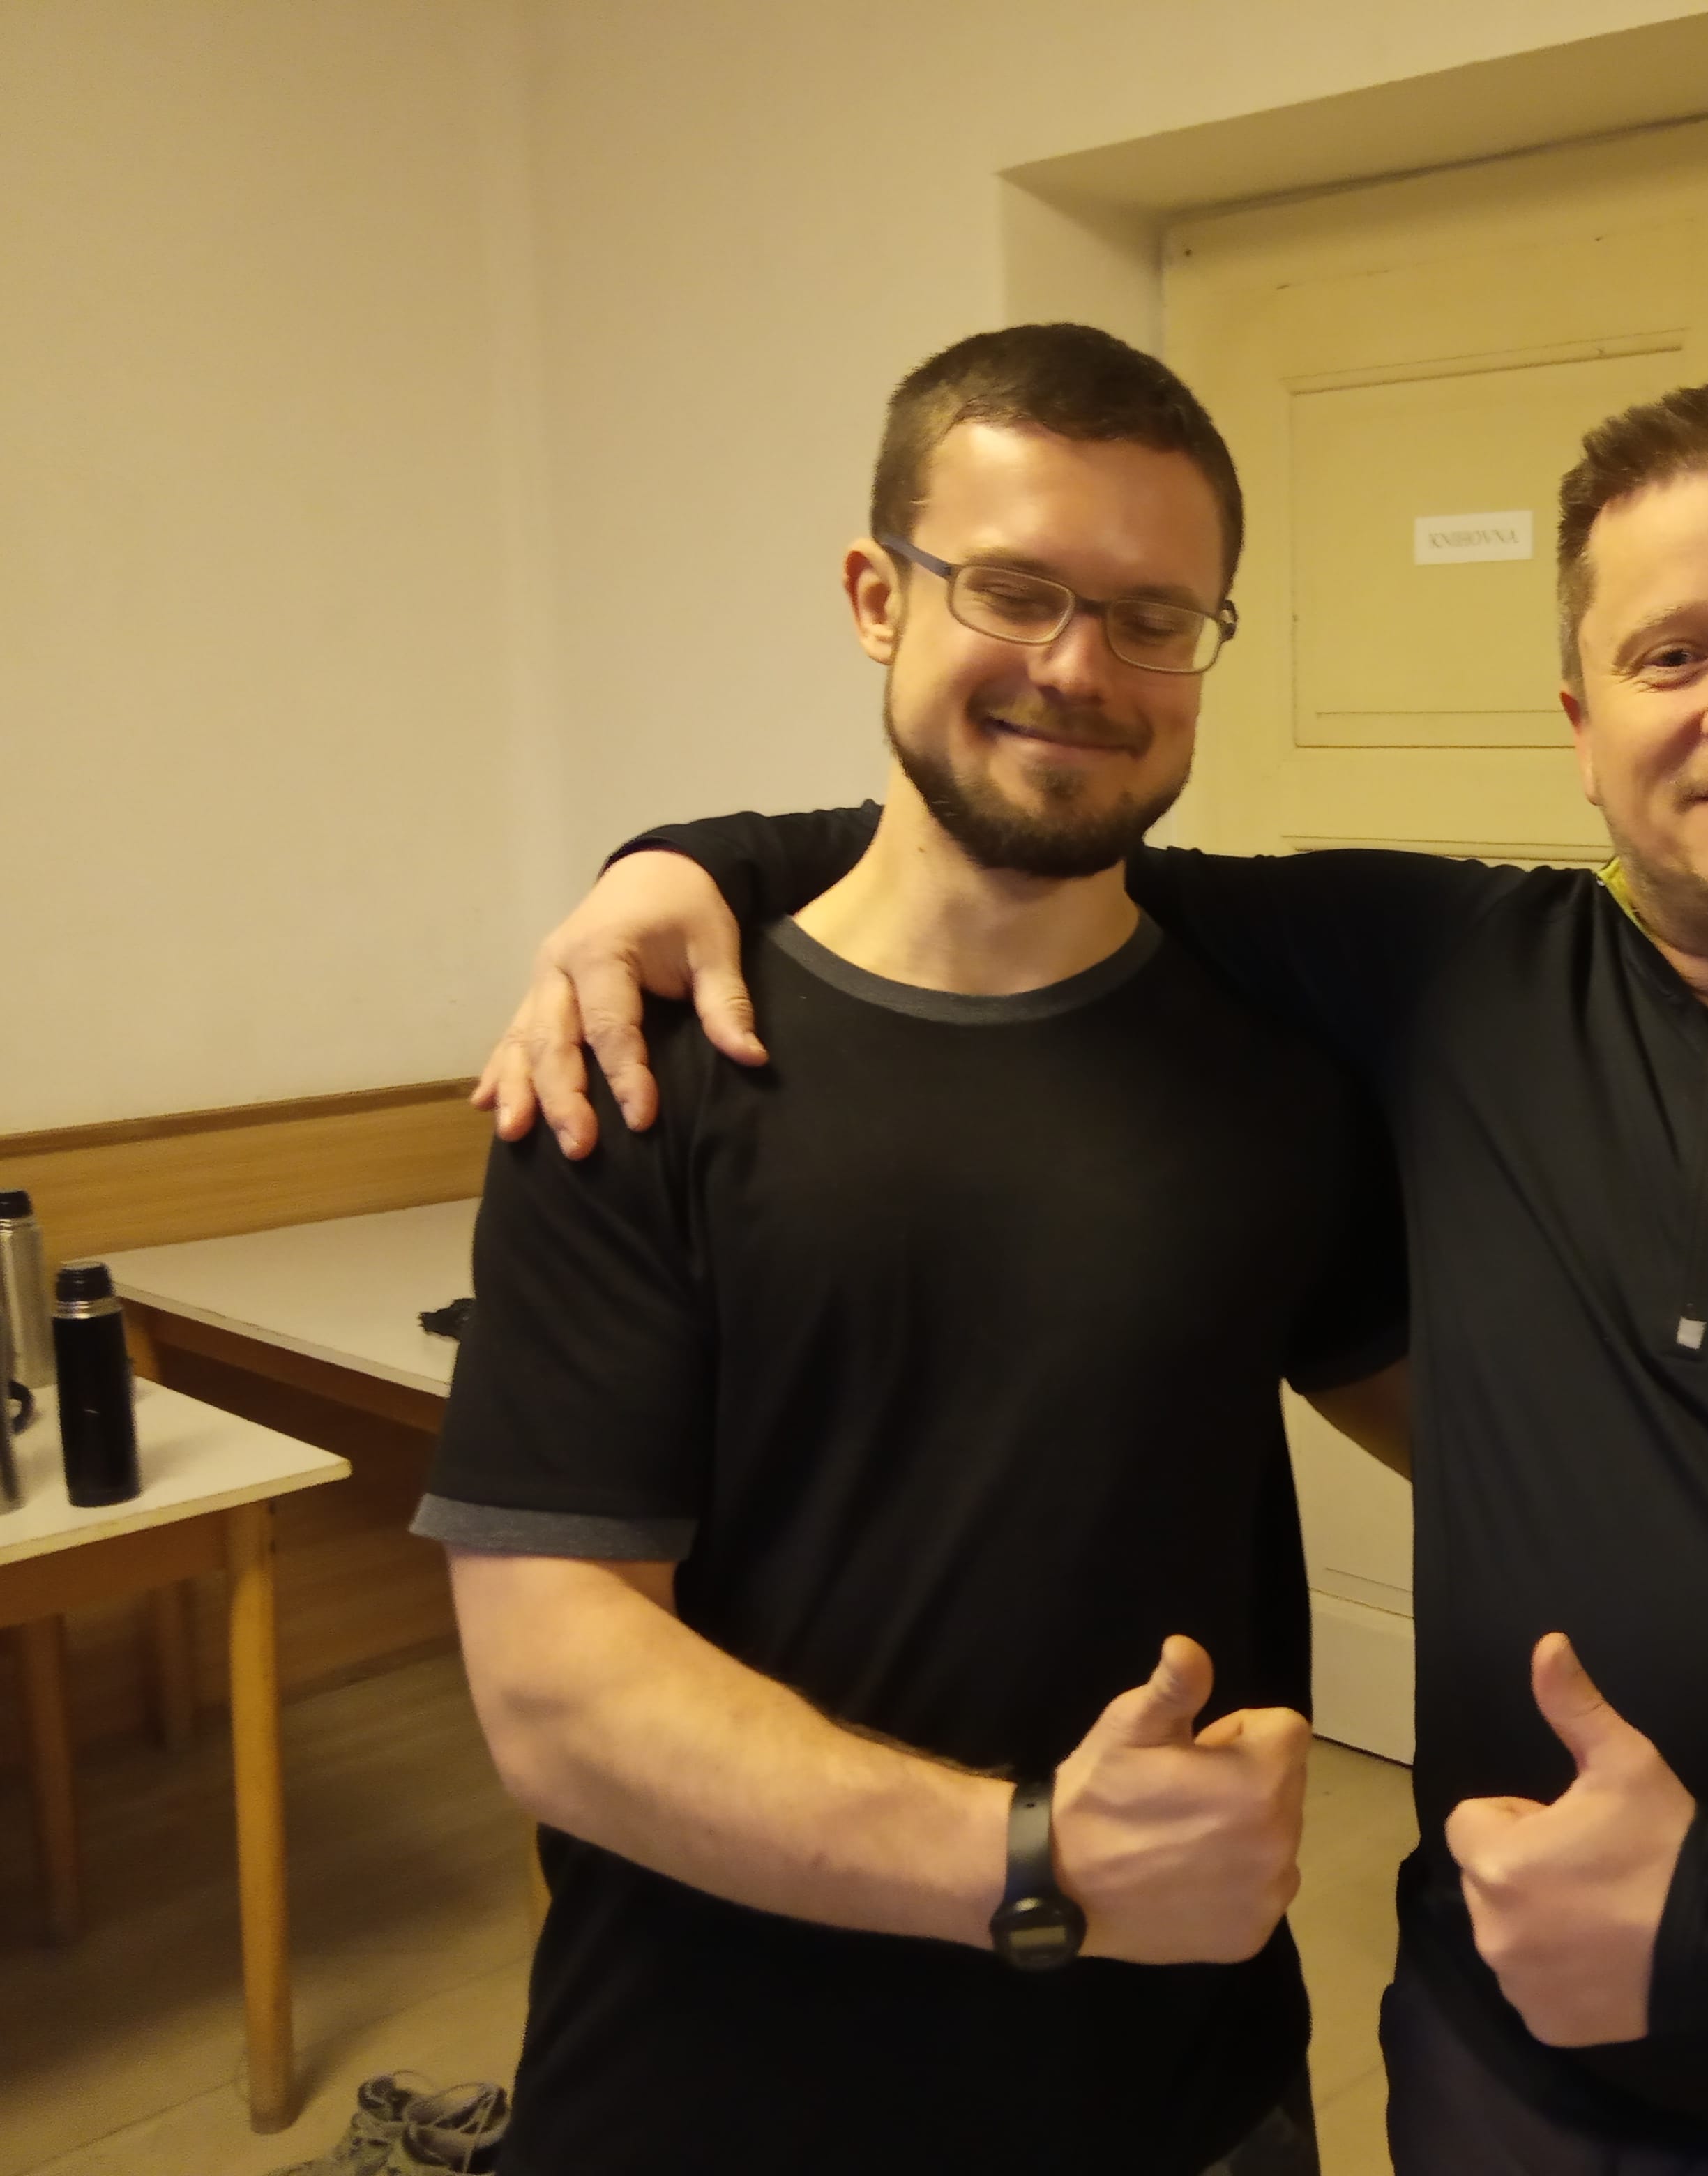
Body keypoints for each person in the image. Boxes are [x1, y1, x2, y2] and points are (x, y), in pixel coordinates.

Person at [482, 370, 1708, 2174]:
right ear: (1580, 724)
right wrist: (685, 867)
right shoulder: (1443, 971)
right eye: (1671, 654)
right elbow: (1022, 822)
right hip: (1499, 2086)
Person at [419, 324, 1411, 2176]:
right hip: (712, 2109)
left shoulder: (1275, 1066)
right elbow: (555, 1688)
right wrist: (1031, 1862)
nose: (1079, 668)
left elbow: (1480, 1425)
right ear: (879, 597)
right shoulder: (637, 1057)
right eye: (1014, 592)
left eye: (1151, 616)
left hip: (1184, 2104)